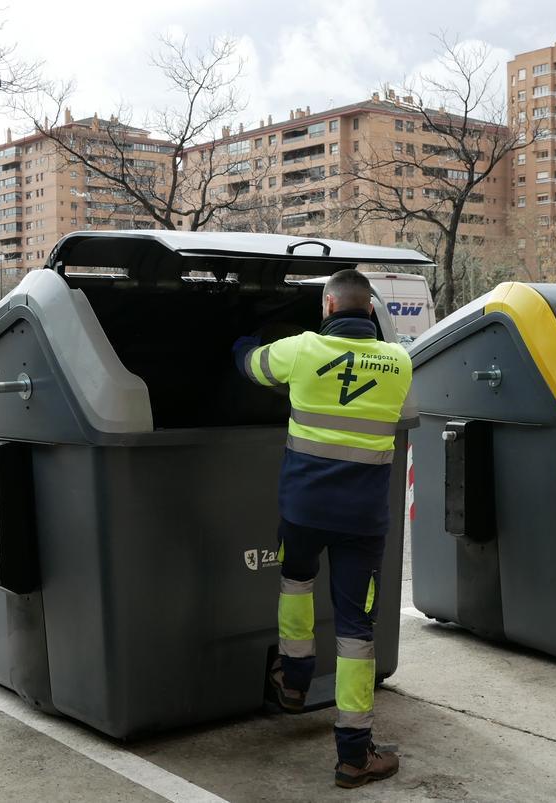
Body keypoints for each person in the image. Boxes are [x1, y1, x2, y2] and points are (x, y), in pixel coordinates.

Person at [233, 268, 413, 789]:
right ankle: (354, 755)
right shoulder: (399, 361)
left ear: (329, 307)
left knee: (296, 583)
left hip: (304, 510)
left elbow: (250, 366)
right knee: (356, 629)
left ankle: (292, 683)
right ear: (371, 311)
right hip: (362, 520)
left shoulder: (302, 350)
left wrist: (245, 337)